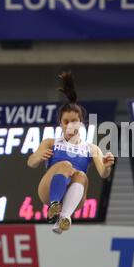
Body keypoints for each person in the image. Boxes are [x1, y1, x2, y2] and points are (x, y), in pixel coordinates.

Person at [27, 71, 115, 234]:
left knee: (81, 175)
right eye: (66, 121)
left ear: (81, 124)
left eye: (73, 121)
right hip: (48, 190)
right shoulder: (51, 142)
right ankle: (54, 207)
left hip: (75, 195)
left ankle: (64, 218)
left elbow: (103, 173)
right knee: (66, 165)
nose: (69, 125)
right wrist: (38, 156)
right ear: (60, 123)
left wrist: (107, 165)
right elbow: (31, 162)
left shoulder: (91, 148)